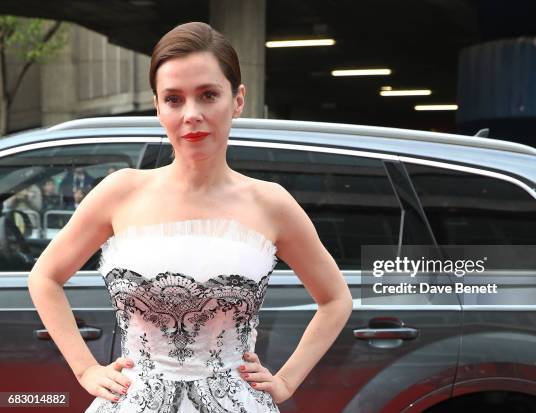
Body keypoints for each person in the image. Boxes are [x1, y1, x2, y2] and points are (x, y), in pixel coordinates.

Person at [27, 21, 352, 412]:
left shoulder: (272, 204)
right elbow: (45, 276)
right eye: (174, 99)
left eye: (208, 95)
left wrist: (286, 379)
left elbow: (335, 298)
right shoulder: (120, 192)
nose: (191, 114)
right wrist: (84, 370)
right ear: (158, 107)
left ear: (237, 99)